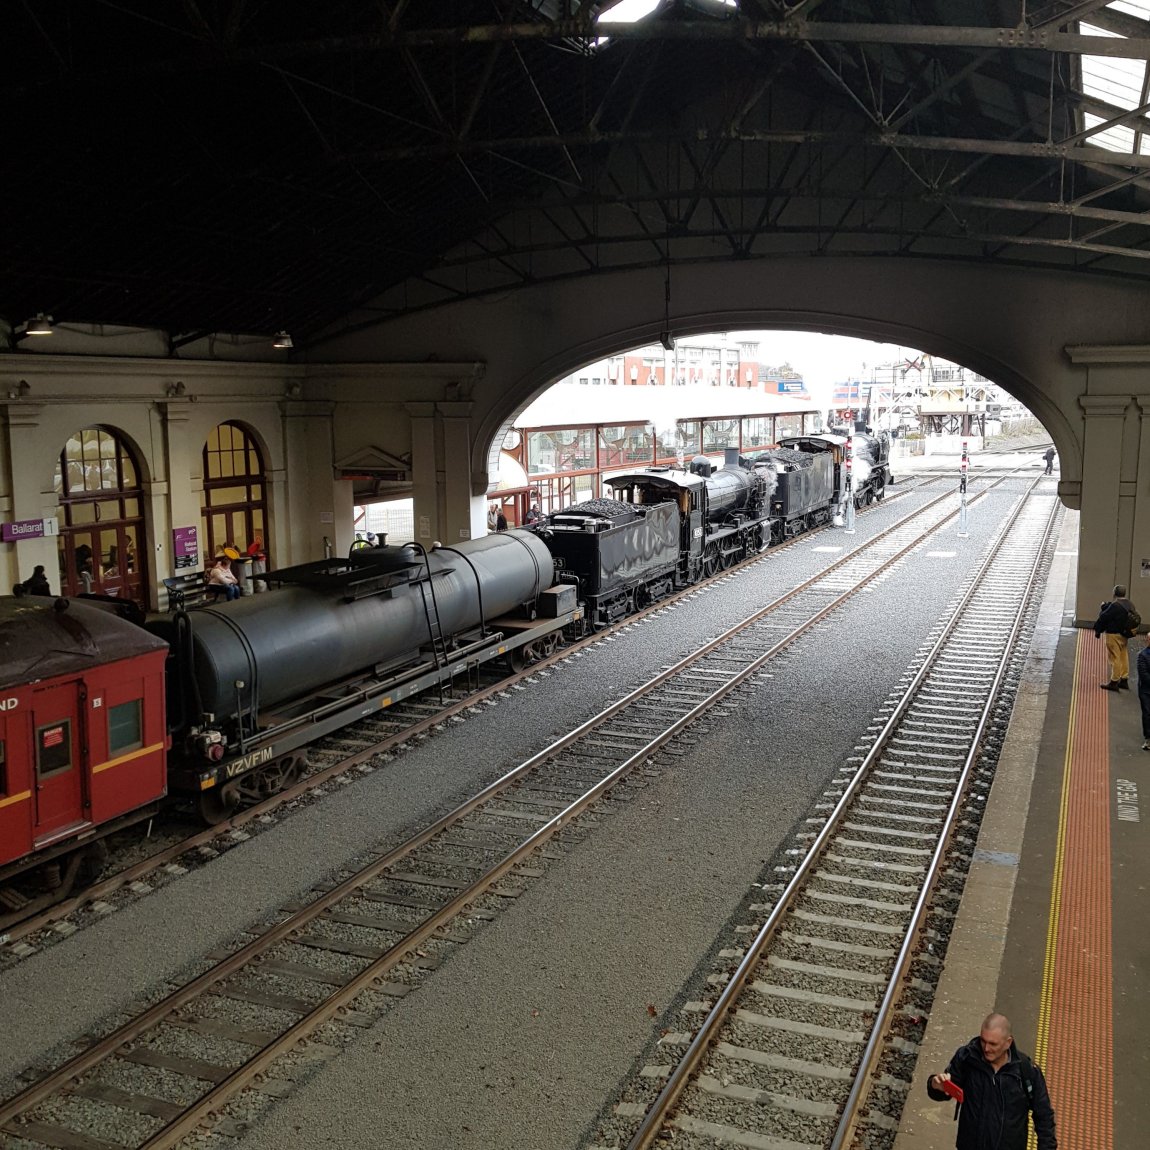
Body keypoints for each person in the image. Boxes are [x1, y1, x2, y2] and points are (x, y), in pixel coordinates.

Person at [927, 1013, 1056, 1150]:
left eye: (993, 1044)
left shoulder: (1027, 1071)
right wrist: (935, 1086)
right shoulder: (967, 1058)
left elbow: (1044, 1117)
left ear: (1008, 1043)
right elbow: (948, 1090)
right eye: (983, 1041)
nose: (986, 1049)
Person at [1094, 583, 1139, 691]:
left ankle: (1114, 682)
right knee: (1123, 656)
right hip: (1124, 635)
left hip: (1113, 635)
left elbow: (1104, 617)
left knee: (1114, 657)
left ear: (1114, 593)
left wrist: (1098, 630)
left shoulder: (1115, 606)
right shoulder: (1130, 604)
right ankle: (1124, 679)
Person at [1139, 635, 1150, 750]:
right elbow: (1144, 675)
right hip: (1146, 691)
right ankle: (1148, 738)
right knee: (1147, 713)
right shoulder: (1143, 655)